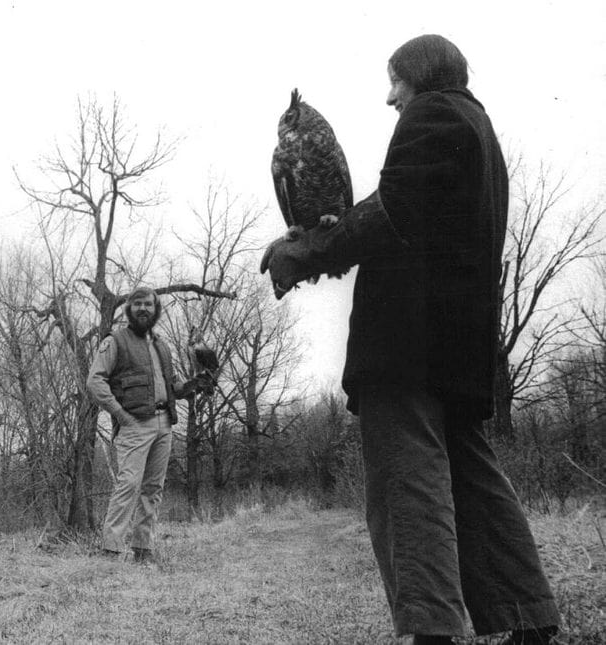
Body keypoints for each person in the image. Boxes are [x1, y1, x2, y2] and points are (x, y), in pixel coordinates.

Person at [260, 35, 559, 645]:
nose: (389, 96)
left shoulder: (431, 113)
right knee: (472, 480)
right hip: (461, 346)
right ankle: (530, 617)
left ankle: (432, 631)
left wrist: (309, 249)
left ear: (419, 76)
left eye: (394, 80)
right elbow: (411, 212)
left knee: (407, 484)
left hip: (406, 345)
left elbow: (393, 213)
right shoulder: (479, 128)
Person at [86, 287, 207, 563]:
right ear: (129, 309)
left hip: (165, 424)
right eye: (137, 303)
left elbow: (172, 385)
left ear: (156, 309)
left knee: (153, 488)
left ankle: (143, 550)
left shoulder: (162, 345)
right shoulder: (116, 341)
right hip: (134, 425)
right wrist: (120, 414)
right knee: (128, 484)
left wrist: (192, 386)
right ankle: (111, 549)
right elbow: (95, 381)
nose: (143, 308)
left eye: (148, 304)